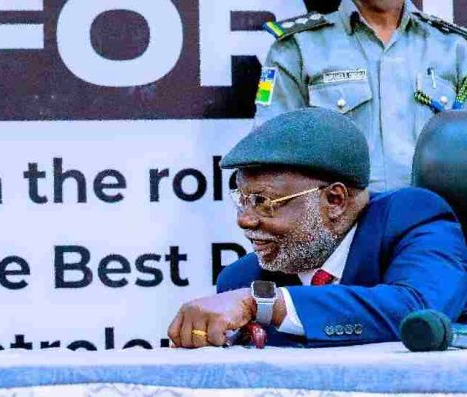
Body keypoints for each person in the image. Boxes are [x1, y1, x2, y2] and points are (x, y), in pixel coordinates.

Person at [167, 108, 467, 348]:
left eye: (264, 201)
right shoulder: (242, 278)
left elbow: (419, 309)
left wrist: (267, 304)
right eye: (242, 200)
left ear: (334, 200)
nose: (244, 219)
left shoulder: (413, 219)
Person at [255, 0, 467, 191]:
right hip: (342, 225)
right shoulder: (296, 47)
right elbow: (272, 156)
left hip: (435, 223)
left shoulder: (455, 47)